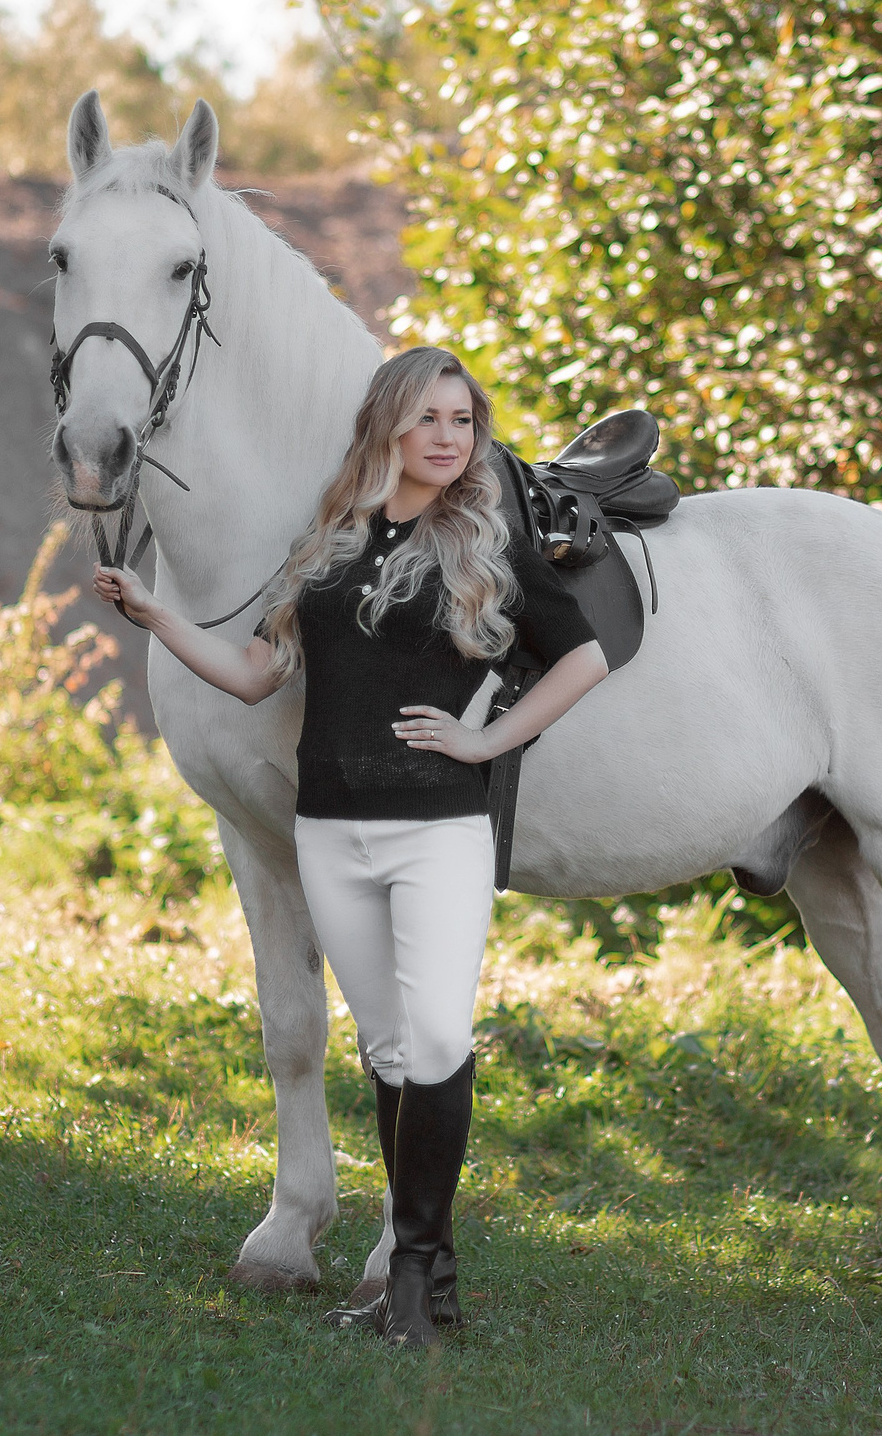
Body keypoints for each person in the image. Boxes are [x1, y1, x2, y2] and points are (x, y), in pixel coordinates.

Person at [94, 345, 609, 1348]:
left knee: (438, 1038)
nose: (446, 439)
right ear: (385, 426)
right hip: (330, 824)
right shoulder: (329, 538)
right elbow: (252, 675)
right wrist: (158, 614)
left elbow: (583, 653)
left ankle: (412, 1277)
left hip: (437, 825)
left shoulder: (486, 541)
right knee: (385, 1044)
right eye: (428, 419)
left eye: (462, 421)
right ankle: (428, 1273)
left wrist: (488, 738)